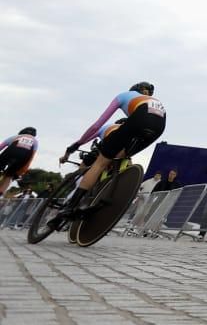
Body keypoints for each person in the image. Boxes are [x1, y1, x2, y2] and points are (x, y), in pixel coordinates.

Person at [52, 82, 166, 228]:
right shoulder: (154, 101)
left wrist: (75, 146)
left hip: (140, 118)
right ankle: (108, 195)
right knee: (120, 157)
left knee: (100, 163)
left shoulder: (124, 96)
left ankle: (71, 206)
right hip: (159, 126)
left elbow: (96, 126)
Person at [0, 127, 39, 198]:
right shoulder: (35, 141)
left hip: (11, 151)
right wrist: (24, 169)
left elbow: (1, 147)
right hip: (24, 156)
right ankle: (0, 194)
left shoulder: (16, 136)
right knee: (9, 175)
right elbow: (31, 156)